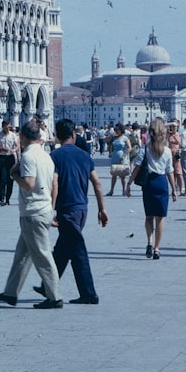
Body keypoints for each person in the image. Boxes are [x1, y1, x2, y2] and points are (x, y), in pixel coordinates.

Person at [34, 118, 108, 303]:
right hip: (82, 209)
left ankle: (89, 294)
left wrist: (50, 210)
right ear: (73, 135)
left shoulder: (55, 156)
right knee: (62, 250)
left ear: (57, 136)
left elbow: (54, 184)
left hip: (67, 210)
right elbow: (97, 183)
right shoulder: (85, 156)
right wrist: (102, 209)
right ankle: (47, 286)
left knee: (77, 252)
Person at [0, 121, 63, 309]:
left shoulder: (29, 157)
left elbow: (29, 184)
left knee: (42, 255)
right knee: (22, 255)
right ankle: (10, 293)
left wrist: (14, 175)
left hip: (34, 212)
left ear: (23, 136)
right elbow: (54, 183)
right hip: (42, 209)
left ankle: (54, 296)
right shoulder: (46, 156)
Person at [126, 118, 175, 259]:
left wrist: (129, 184)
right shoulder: (166, 151)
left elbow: (137, 167)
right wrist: (174, 189)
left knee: (148, 216)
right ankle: (157, 249)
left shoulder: (145, 149)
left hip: (149, 183)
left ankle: (149, 242)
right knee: (160, 218)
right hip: (161, 183)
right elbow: (169, 171)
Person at [0, 120, 20, 205]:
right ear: (2, 126)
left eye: (8, 126)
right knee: (2, 178)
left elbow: (17, 146)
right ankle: (1, 198)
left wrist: (14, 150)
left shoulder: (13, 135)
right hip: (2, 157)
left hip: (10, 157)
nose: (7, 128)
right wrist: (1, 149)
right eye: (5, 126)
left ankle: (7, 198)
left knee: (10, 178)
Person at [106, 123, 132, 196]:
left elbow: (130, 148)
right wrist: (111, 135)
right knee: (114, 174)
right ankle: (111, 190)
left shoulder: (125, 138)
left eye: (117, 130)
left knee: (122, 175)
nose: (116, 131)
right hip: (114, 156)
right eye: (115, 130)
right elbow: (105, 140)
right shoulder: (114, 138)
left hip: (122, 157)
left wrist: (124, 155)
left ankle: (123, 190)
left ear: (121, 130)